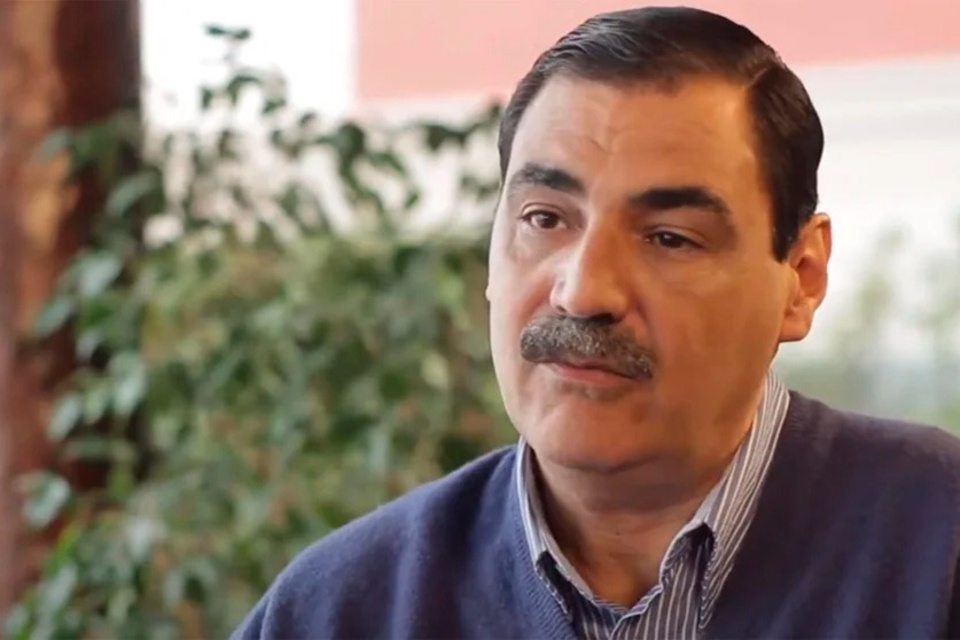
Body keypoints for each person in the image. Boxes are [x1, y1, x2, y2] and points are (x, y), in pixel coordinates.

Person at [232, 6, 960, 639]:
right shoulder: (345, 608)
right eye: (544, 219)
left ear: (801, 278)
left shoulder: (937, 547)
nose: (583, 292)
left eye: (669, 238)